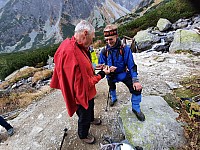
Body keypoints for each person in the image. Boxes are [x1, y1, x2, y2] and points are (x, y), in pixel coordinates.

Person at [50, 20, 110, 144]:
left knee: (91, 105)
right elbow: (85, 83)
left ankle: (91, 118)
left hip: (86, 91)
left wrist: (94, 66)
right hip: (80, 93)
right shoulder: (73, 53)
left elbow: (61, 59)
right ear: (85, 33)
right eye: (92, 38)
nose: (92, 42)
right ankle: (83, 134)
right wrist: (103, 74)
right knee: (84, 115)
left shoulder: (71, 44)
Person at [98, 24, 145, 121]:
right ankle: (113, 98)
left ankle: (136, 108)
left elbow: (132, 65)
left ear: (116, 36)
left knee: (136, 89)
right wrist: (107, 68)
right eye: (106, 40)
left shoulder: (125, 49)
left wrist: (135, 80)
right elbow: (101, 64)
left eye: (110, 39)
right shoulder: (104, 51)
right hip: (110, 74)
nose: (108, 42)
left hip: (123, 74)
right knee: (111, 86)